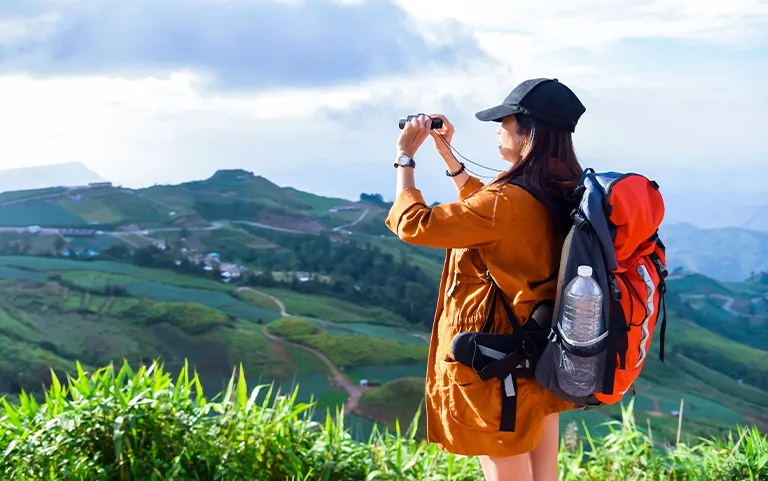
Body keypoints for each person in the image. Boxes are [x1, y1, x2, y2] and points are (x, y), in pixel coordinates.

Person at [385, 78, 587, 481]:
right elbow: (493, 217)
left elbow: (414, 224)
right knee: (544, 474)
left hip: (499, 367)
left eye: (504, 122)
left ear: (528, 132)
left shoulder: (506, 202)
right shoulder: (562, 186)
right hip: (541, 356)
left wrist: (405, 159)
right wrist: (449, 158)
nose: (497, 130)